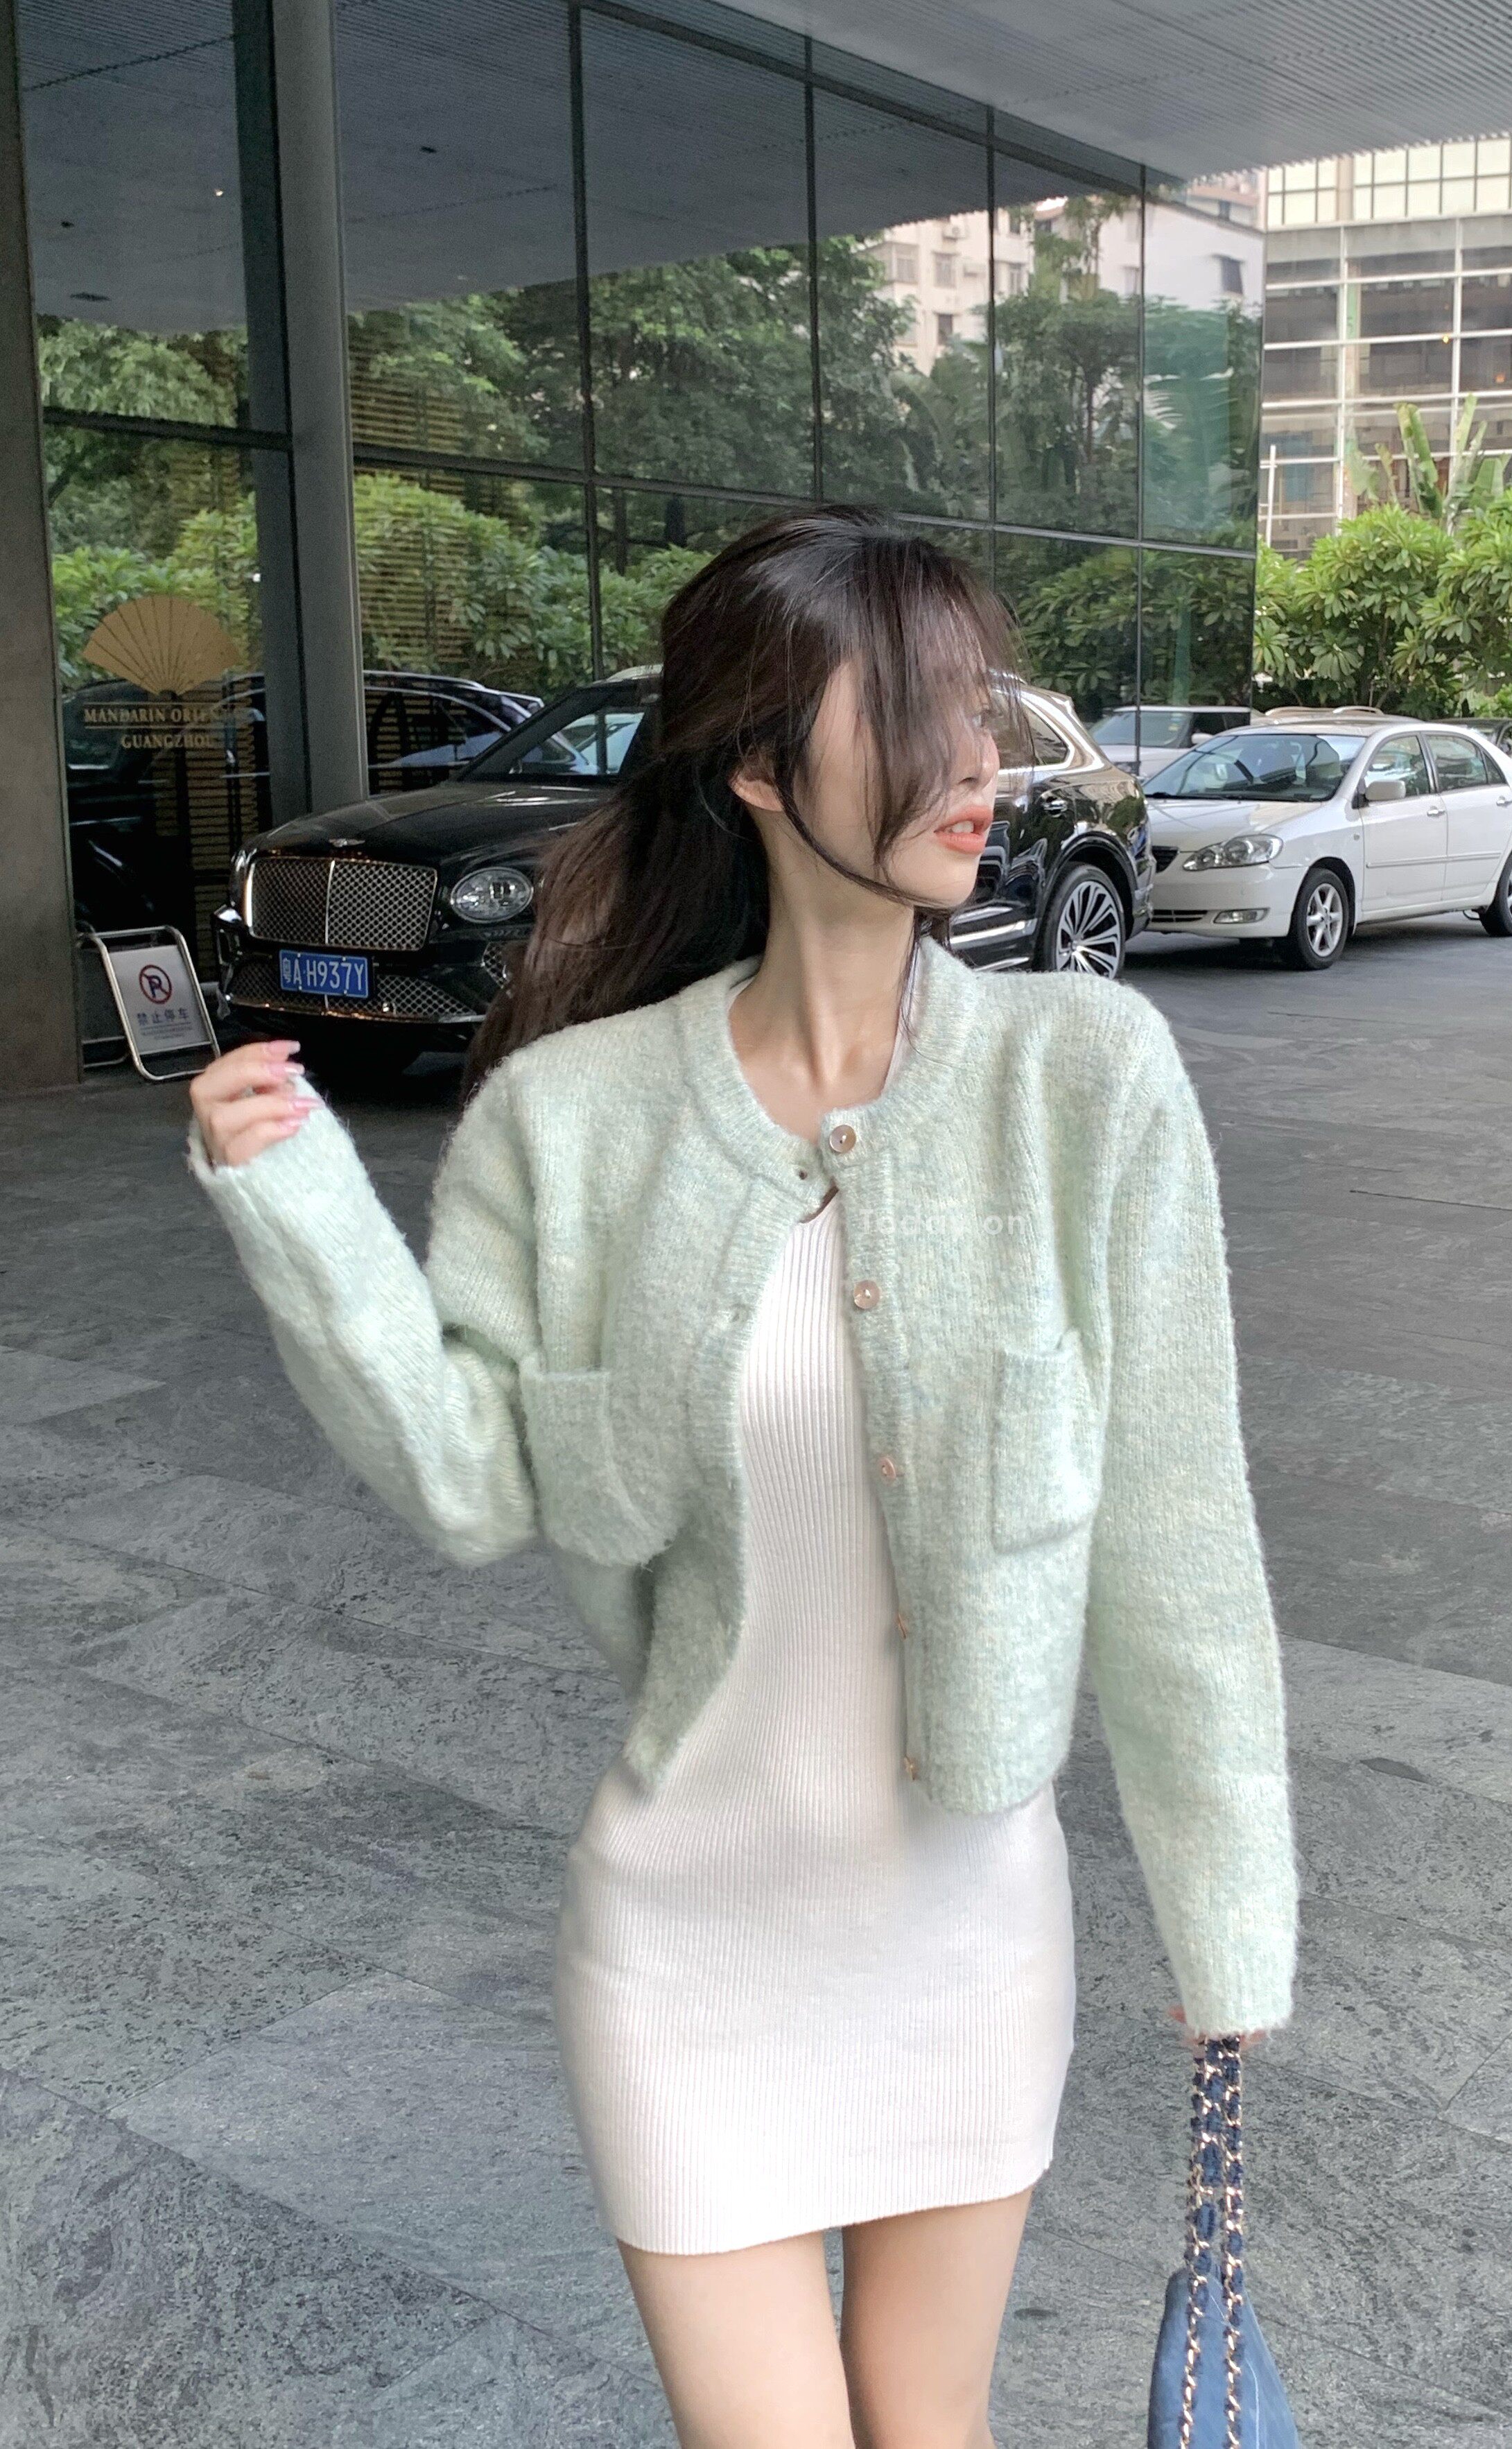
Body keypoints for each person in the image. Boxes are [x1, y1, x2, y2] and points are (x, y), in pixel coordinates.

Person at [184, 505, 1298, 2449]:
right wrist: (300, 1209)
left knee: (927, 2430)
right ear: (763, 769)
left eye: (985, 711)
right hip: (684, 1934)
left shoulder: (1084, 1079)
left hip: (963, 1926)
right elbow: (472, 1480)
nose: (980, 762)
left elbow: (1177, 1543)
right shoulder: (573, 1120)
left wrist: (1228, 1928)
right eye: (920, 715)